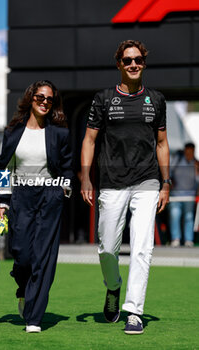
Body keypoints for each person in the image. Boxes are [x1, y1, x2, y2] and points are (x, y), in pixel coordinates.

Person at [80, 40, 170, 334]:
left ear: (144, 63)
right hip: (112, 183)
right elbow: (90, 140)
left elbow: (162, 143)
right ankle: (113, 286)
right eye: (128, 60)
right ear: (118, 63)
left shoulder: (156, 99)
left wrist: (166, 182)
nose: (134, 64)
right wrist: (85, 177)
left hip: (147, 181)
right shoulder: (103, 99)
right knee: (107, 248)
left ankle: (134, 311)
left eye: (139, 60)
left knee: (143, 248)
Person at [0, 80, 73, 333]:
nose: (45, 102)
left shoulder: (60, 134)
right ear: (30, 99)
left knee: (43, 257)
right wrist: (2, 203)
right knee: (21, 253)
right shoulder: (13, 132)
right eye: (40, 97)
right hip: (21, 195)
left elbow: (67, 168)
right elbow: (5, 167)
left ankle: (33, 317)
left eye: (49, 99)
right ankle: (23, 290)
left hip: (49, 197)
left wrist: (62, 191)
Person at [169, 143, 199, 247]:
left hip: (190, 196)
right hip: (176, 195)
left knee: (189, 217)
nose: (189, 154)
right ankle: (175, 238)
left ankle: (188, 240)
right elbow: (169, 174)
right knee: (175, 215)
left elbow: (197, 181)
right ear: (185, 150)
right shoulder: (176, 161)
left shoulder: (196, 163)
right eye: (188, 151)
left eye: (191, 152)